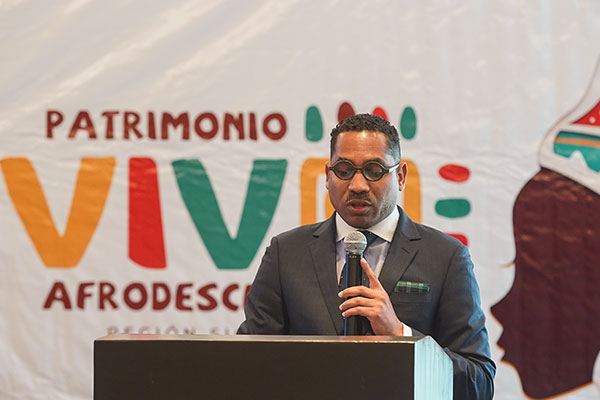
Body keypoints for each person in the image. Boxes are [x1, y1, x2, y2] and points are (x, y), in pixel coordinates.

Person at [238, 113, 495, 399]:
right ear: (327, 176)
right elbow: (246, 365)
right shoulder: (286, 253)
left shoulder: (446, 257)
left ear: (400, 176)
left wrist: (401, 335)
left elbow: (479, 383)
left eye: (374, 170)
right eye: (344, 170)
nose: (358, 185)